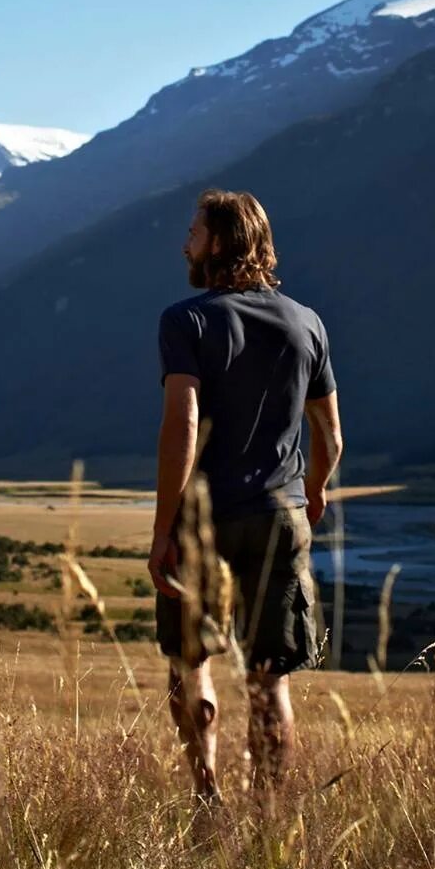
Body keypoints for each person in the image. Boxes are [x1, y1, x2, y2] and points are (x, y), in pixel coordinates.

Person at [148, 189, 341, 816]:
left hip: (204, 517)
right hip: (280, 515)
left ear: (221, 242)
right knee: (269, 679)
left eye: (194, 232)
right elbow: (331, 436)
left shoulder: (187, 321)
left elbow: (183, 422)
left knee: (190, 660)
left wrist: (164, 529)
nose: (185, 243)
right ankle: (267, 820)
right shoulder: (307, 322)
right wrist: (309, 495)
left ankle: (207, 802)